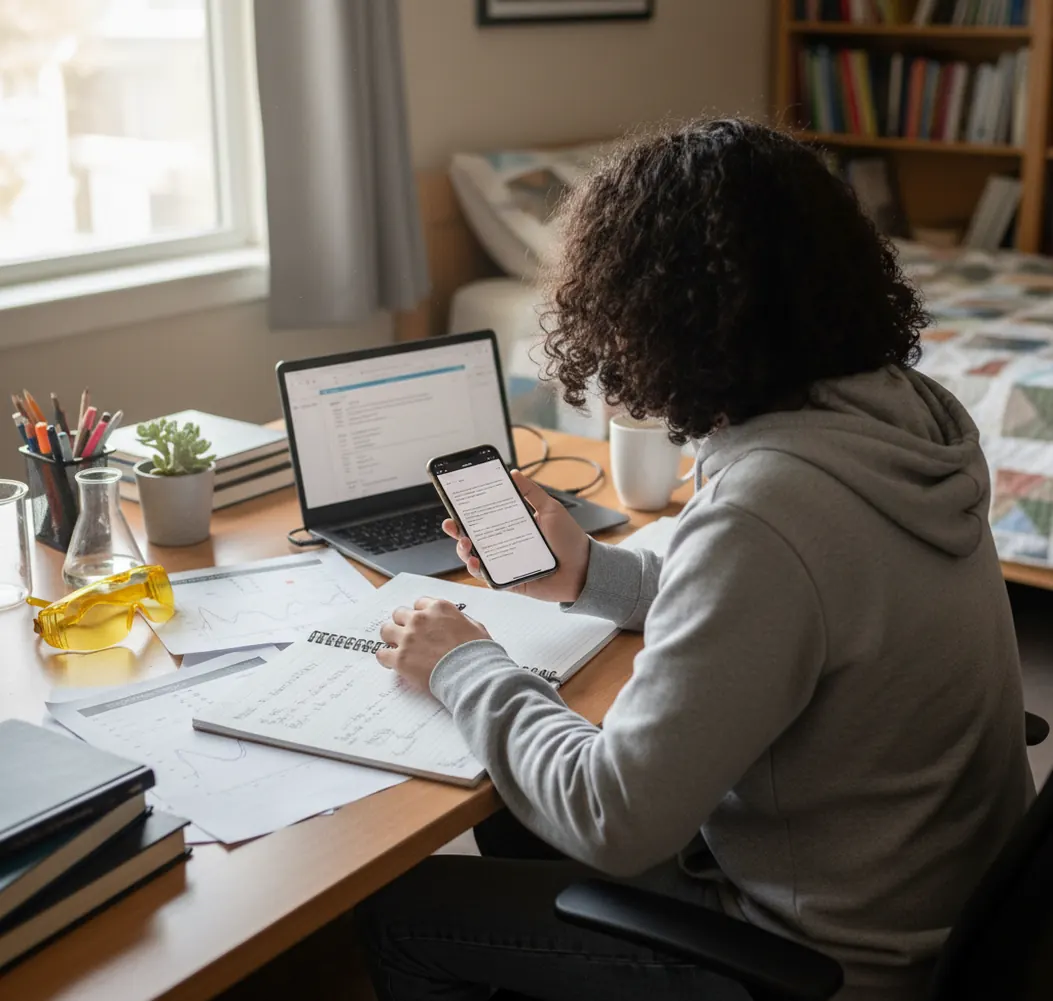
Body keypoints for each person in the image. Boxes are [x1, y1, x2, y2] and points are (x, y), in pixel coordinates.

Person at [356, 119, 1034, 1001]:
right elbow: (797, 600)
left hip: (829, 957)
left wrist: (463, 663)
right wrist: (587, 572)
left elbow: (614, 816)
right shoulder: (902, 421)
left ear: (649, 314)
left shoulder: (766, 508)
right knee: (520, 816)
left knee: (402, 912)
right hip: (927, 899)